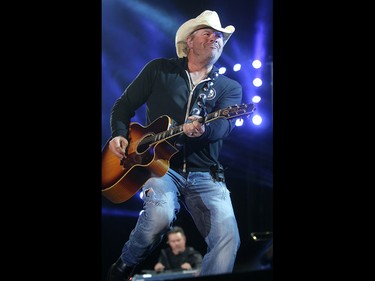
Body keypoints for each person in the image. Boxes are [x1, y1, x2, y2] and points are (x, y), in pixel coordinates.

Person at [106, 10, 242, 281]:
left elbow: (224, 126)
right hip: (161, 169)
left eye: (219, 36)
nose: (215, 38)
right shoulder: (160, 70)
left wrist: (202, 130)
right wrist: (119, 133)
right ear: (189, 42)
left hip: (206, 174)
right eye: (208, 33)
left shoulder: (229, 87)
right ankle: (126, 264)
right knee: (159, 216)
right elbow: (123, 105)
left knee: (228, 238)